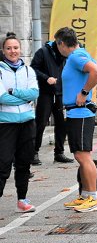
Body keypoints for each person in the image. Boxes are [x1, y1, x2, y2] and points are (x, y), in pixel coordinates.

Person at [57, 27, 97, 213]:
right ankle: (86, 195)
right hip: (76, 113)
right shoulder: (79, 55)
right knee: (80, 155)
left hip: (81, 113)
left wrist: (84, 92)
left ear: (62, 43)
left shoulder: (76, 56)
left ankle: (93, 197)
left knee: (83, 156)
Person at [0, 32, 40, 213]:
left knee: (24, 163)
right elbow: (2, 97)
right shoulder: (0, 71)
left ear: (20, 49)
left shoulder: (28, 70)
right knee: (3, 164)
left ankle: (22, 200)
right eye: (8, 48)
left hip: (27, 123)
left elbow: (34, 93)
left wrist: (14, 92)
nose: (12, 51)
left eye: (15, 47)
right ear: (3, 51)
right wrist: (23, 98)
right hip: (5, 124)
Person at [30, 35, 72, 165]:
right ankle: (34, 152)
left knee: (62, 124)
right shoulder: (43, 52)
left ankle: (59, 152)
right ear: (60, 43)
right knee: (41, 123)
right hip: (46, 93)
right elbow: (33, 69)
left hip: (61, 93)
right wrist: (46, 78)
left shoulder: (66, 54)